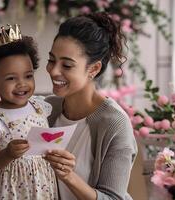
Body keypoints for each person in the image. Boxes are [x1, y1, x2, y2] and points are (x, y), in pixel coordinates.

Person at [44, 12, 138, 200]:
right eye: (52, 60)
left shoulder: (114, 123)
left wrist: (69, 176)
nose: (54, 71)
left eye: (67, 65)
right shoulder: (47, 110)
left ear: (93, 69)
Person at [0, 25, 58, 200]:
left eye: (28, 75)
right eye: (11, 78)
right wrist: (8, 154)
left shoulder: (39, 106)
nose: (22, 84)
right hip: (8, 190)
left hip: (41, 185)